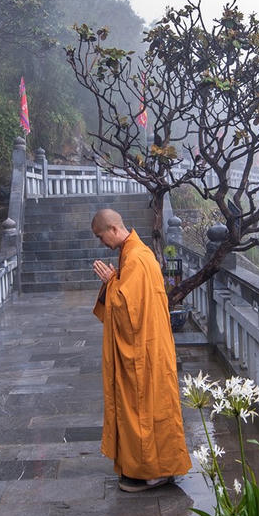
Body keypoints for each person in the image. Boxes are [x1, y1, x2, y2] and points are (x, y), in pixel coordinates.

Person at [90, 208, 191, 491]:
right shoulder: (135, 253)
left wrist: (111, 282)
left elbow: (125, 308)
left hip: (144, 351)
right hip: (152, 344)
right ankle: (159, 467)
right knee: (154, 406)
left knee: (142, 407)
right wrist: (113, 282)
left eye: (101, 236)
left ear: (112, 228)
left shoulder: (136, 257)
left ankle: (152, 472)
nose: (102, 243)